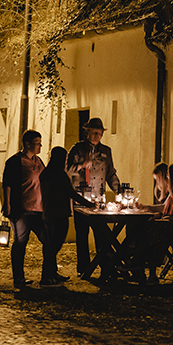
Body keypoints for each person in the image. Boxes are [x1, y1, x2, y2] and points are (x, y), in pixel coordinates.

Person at [66, 117, 120, 278]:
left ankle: (106, 267)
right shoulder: (77, 149)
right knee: (82, 235)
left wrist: (119, 190)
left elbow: (110, 173)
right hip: (80, 200)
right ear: (87, 132)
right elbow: (67, 171)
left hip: (98, 200)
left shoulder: (106, 151)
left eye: (100, 133)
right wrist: (81, 166)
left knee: (102, 234)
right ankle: (84, 268)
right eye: (94, 132)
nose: (97, 136)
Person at [1, 130, 47, 291]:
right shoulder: (15, 162)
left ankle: (49, 274)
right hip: (22, 210)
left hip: (39, 209)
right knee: (20, 242)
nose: (40, 146)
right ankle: (18, 277)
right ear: (27, 144)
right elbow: (8, 184)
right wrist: (7, 205)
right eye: (37, 143)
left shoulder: (38, 161)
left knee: (48, 240)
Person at [38, 146, 81, 286]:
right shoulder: (60, 175)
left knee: (49, 246)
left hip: (47, 214)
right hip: (59, 214)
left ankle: (51, 273)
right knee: (54, 247)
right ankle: (46, 276)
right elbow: (71, 193)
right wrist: (90, 204)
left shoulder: (45, 173)